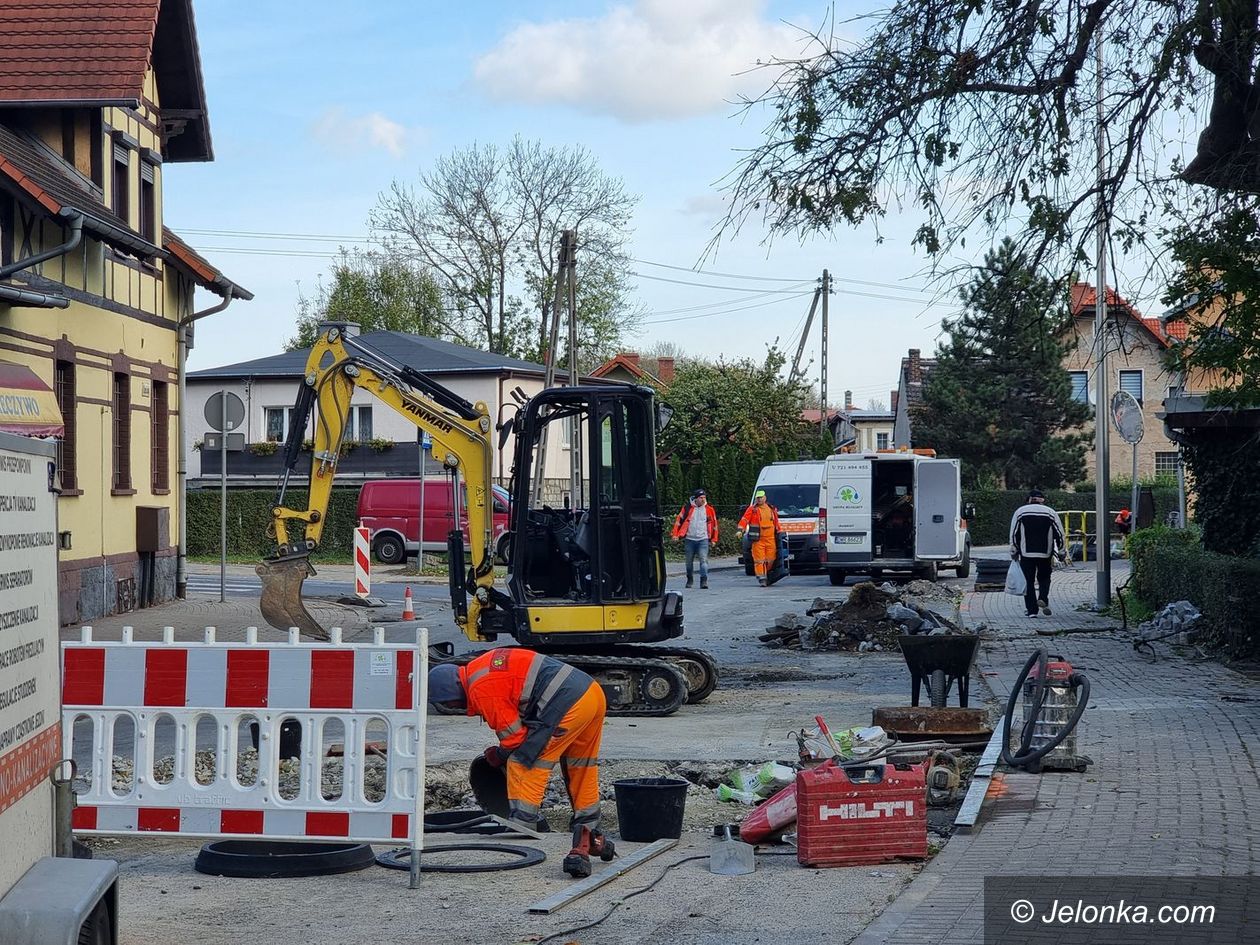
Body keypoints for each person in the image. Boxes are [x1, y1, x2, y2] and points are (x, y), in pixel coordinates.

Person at [428, 649, 615, 878]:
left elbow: (515, 739)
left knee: (524, 760)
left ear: (453, 692)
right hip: (591, 694)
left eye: (451, 704)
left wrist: (499, 755)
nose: (454, 708)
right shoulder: (480, 668)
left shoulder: (480, 689)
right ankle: (588, 829)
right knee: (580, 764)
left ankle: (524, 824)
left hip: (568, 702)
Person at [1009, 489, 1066, 618]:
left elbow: (1014, 533)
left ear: (1029, 499)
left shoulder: (1020, 512)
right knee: (1044, 577)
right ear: (1043, 500)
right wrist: (1062, 551)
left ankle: (1032, 611)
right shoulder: (1051, 513)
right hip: (1045, 553)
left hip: (1026, 554)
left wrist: (1014, 550)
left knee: (1028, 581)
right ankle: (1043, 598)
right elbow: (1060, 534)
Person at [671, 488, 719, 588]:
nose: (703, 500)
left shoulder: (709, 509)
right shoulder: (687, 508)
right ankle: (690, 579)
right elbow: (678, 521)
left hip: (703, 539)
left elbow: (714, 524)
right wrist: (675, 534)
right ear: (696, 499)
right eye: (701, 498)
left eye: (704, 498)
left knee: (704, 561)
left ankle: (704, 581)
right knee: (689, 563)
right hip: (690, 539)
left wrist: (714, 539)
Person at [738, 489, 782, 586]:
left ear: (765, 498)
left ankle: (767, 574)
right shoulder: (752, 509)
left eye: (761, 497)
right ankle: (762, 578)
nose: (759, 499)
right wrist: (740, 530)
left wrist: (779, 531)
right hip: (758, 539)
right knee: (759, 559)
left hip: (770, 538)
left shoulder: (771, 508)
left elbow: (776, 522)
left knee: (771, 558)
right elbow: (744, 519)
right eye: (757, 498)